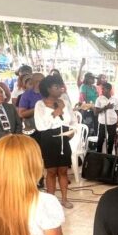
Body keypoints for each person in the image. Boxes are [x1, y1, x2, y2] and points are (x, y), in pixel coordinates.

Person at [33, 75, 75, 206]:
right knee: (51, 171)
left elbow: (73, 120)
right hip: (48, 139)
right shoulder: (40, 104)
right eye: (56, 86)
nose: (60, 88)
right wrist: (56, 112)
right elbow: (40, 126)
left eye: (60, 86)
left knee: (63, 170)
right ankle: (51, 201)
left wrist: (72, 131)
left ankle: (64, 199)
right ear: (48, 89)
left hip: (64, 138)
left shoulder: (65, 102)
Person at [94, 82, 118, 154]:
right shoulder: (99, 99)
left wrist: (116, 119)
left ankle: (109, 155)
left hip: (113, 122)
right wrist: (105, 107)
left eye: (103, 89)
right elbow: (95, 112)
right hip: (103, 122)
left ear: (109, 89)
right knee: (100, 139)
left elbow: (117, 111)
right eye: (102, 89)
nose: (102, 90)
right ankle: (98, 155)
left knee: (111, 140)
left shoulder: (115, 99)